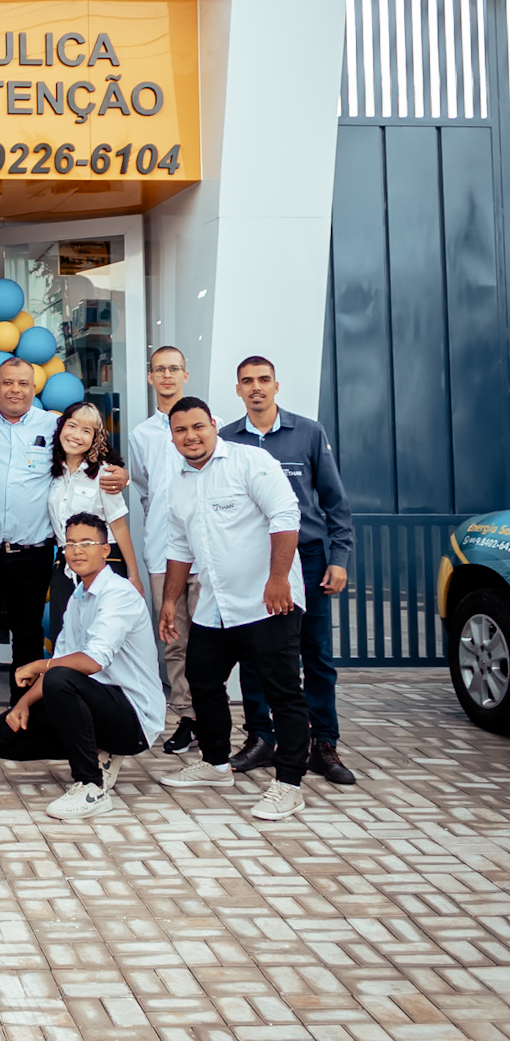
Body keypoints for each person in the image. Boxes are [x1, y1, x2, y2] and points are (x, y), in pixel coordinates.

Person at [0, 359, 127, 753]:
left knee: (28, 637)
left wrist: (120, 472)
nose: (15, 390)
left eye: (23, 383)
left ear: (34, 388)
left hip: (34, 554)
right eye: (8, 382)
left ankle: (21, 715)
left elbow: (91, 448)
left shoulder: (55, 426)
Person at [159, 396, 308, 822]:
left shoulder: (249, 461)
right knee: (202, 679)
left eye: (198, 427)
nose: (191, 436)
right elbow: (179, 546)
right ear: (172, 436)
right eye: (181, 430)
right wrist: (169, 600)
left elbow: (285, 515)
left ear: (213, 424)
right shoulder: (179, 483)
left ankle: (290, 784)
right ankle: (216, 764)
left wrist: (278, 579)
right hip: (215, 605)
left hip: (267, 601)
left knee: (282, 691)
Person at [219, 355, 356, 785]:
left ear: (276, 385)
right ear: (238, 390)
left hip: (308, 557)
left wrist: (339, 558)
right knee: (255, 654)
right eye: (247, 381)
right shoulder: (226, 439)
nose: (256, 387)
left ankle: (323, 743)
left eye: (264, 379)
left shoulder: (309, 433)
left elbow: (335, 502)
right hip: (252, 561)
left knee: (315, 654)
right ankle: (262, 738)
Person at [0, 513, 164, 820]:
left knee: (59, 679)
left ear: (105, 550)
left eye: (86, 543)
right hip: (94, 702)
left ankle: (91, 787)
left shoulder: (119, 594)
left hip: (134, 717)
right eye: (70, 544)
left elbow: (91, 662)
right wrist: (23, 704)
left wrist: (37, 665)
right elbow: (63, 660)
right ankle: (100, 753)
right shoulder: (78, 598)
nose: (77, 550)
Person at [128, 346, 202, 755]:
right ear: (150, 377)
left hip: (205, 553)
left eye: (175, 368)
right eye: (160, 369)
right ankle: (187, 718)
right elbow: (145, 491)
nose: (168, 375)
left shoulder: (207, 425)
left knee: (211, 640)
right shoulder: (142, 435)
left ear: (185, 375)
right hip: (161, 552)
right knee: (174, 641)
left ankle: (212, 717)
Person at [47, 400, 143, 640]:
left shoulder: (104, 473)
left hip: (103, 563)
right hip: (65, 565)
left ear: (95, 438)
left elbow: (119, 527)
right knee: (65, 637)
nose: (76, 435)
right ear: (61, 428)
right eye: (72, 426)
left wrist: (134, 575)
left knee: (102, 639)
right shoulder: (52, 473)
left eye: (86, 430)